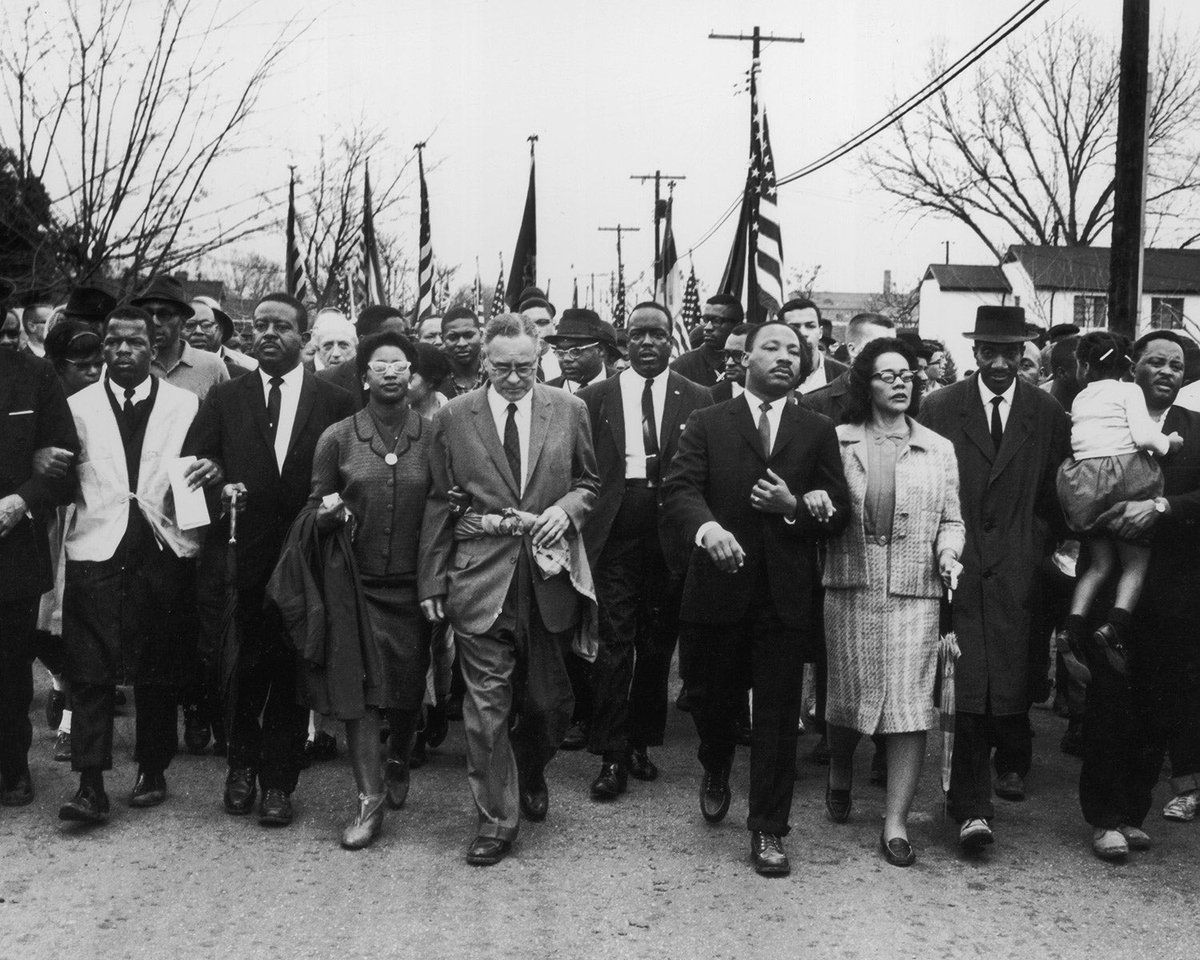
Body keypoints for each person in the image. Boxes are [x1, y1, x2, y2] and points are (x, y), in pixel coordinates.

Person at [661, 321, 850, 877]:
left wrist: (797, 503)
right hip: (717, 593)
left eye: (795, 350)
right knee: (712, 700)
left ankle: (769, 829)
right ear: (745, 358)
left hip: (783, 597)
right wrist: (708, 530)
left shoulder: (816, 429)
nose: (785, 357)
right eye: (772, 347)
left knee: (775, 717)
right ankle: (716, 762)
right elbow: (680, 490)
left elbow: (838, 509)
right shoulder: (706, 422)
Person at [419, 313, 599, 866]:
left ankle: (531, 769)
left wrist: (565, 512)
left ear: (539, 354)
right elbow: (438, 501)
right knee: (485, 706)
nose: (515, 378)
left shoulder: (569, 410)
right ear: (484, 363)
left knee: (549, 705)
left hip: (547, 577)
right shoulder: (452, 418)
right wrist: (432, 578)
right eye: (502, 368)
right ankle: (496, 819)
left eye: (524, 366)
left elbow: (589, 483)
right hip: (480, 578)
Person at [183, 293, 355, 827]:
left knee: (291, 669)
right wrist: (214, 479)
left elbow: (353, 475)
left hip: (307, 557)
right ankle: (241, 768)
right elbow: (194, 466)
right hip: (244, 557)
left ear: (304, 339)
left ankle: (280, 781)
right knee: (241, 667)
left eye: (281, 327)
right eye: (259, 326)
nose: (268, 335)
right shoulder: (227, 397)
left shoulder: (333, 401)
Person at [56, 307, 218, 823]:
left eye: (134, 343)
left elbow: (201, 465)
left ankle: (152, 767)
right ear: (103, 349)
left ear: (155, 349)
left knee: (158, 663)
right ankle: (89, 784)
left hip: (162, 544)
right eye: (113, 343)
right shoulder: (76, 407)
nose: (122, 351)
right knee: (88, 666)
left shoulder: (184, 404)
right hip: (96, 544)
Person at [918, 305, 1070, 851]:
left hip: (1017, 568)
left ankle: (1000, 776)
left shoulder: (1047, 413)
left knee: (1010, 684)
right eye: (990, 351)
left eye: (1011, 352)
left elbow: (1059, 495)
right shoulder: (939, 407)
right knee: (963, 683)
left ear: (1025, 352)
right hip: (955, 561)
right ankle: (969, 808)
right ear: (974, 352)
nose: (1001, 361)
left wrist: (1040, 552)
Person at [820, 338, 964, 867]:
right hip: (851, 584)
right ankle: (840, 769)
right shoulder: (835, 441)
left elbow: (952, 519)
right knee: (846, 696)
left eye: (907, 374)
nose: (901, 382)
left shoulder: (938, 447)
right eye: (887, 375)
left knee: (908, 708)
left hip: (915, 591)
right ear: (865, 384)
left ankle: (895, 821)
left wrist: (949, 554)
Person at [299, 331, 434, 849]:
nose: (391, 373)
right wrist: (329, 515)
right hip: (355, 585)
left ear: (413, 376)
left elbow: (446, 504)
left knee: (405, 687)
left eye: (400, 365)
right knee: (361, 694)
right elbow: (313, 507)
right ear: (364, 377)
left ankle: (398, 754)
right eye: (380, 365)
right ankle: (369, 799)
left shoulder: (433, 433)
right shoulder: (338, 436)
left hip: (415, 585)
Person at [577, 302, 713, 800]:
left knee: (657, 644)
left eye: (658, 334)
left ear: (671, 341)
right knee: (614, 640)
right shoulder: (596, 398)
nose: (648, 343)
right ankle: (611, 753)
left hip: (672, 528)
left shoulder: (699, 396)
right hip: (617, 527)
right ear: (624, 342)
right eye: (638, 335)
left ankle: (641, 742)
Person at [1077, 330, 1200, 857]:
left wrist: (1164, 507)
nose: (1167, 371)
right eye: (1156, 361)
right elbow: (1077, 478)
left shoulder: (1193, 430)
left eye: (1176, 364)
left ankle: (1132, 812)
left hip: (1174, 591)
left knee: (1158, 707)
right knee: (1109, 705)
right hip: (1115, 597)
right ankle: (1102, 818)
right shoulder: (1108, 414)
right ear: (1135, 368)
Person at [1056, 331, 1180, 685]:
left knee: (1098, 564)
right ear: (1128, 365)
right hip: (1124, 479)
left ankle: (1072, 627)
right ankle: (1114, 626)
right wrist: (1168, 444)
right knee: (1135, 564)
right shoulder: (1129, 391)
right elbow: (1143, 436)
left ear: (1083, 366)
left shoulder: (1081, 398)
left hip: (1083, 485)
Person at [0, 338, 77, 807]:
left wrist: (23, 498)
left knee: (9, 666)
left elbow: (64, 459)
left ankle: (11, 767)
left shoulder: (35, 374)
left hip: (11, 542)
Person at [38, 322, 107, 762]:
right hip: (45, 521)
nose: (93, 372)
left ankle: (70, 721)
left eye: (96, 364)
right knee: (39, 625)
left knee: (79, 621)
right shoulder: (42, 400)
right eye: (83, 366)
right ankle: (60, 684)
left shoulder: (100, 404)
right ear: (59, 368)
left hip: (88, 519)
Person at [129, 276, 229, 401]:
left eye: (164, 314)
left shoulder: (212, 366)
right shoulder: (130, 363)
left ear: (182, 321)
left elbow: (229, 416)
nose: (154, 322)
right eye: (148, 313)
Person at [801, 313, 896, 422]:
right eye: (879, 346)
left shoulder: (902, 395)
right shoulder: (815, 403)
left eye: (894, 346)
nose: (890, 354)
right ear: (852, 349)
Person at [670, 295, 744, 387]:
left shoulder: (749, 363)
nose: (707, 327)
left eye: (717, 321)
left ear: (737, 326)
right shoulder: (682, 368)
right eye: (705, 320)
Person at [782, 298, 848, 394]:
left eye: (810, 326)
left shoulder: (843, 375)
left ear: (820, 332)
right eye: (794, 327)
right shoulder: (770, 373)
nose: (803, 333)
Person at [544, 308, 619, 393]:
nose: (566, 359)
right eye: (560, 352)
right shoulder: (544, 392)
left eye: (575, 351)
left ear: (600, 350)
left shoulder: (625, 385)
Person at [189, 296, 257, 378]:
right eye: (190, 325)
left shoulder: (250, 367)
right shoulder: (171, 365)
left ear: (221, 328)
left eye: (207, 325)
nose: (198, 331)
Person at [438, 306, 487, 398]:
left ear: (481, 335)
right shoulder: (435, 382)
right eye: (453, 337)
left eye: (469, 336)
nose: (462, 343)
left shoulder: (496, 373)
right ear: (442, 339)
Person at [710, 323, 753, 403]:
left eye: (738, 355)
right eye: (726, 354)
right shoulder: (711, 397)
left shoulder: (779, 395)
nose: (729, 362)